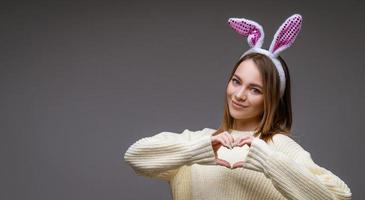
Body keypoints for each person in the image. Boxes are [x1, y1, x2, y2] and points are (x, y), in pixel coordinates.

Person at [123, 14, 352, 200]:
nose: (239, 95)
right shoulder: (201, 141)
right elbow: (135, 156)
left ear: (271, 99)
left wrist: (268, 160)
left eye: (255, 89)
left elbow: (339, 196)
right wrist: (197, 150)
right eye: (236, 81)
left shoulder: (277, 147)